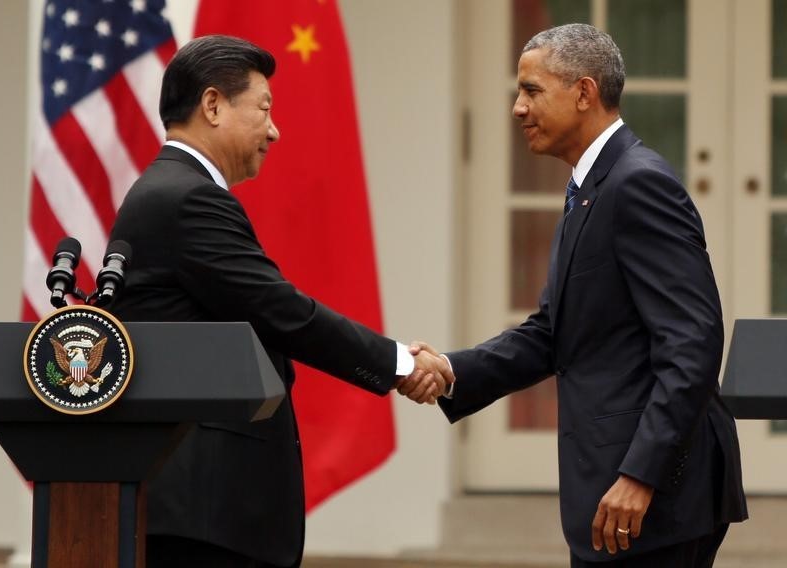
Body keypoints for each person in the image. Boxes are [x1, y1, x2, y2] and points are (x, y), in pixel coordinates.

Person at [408, 23, 747, 567]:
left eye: (532, 90)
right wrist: (452, 368)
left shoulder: (637, 183)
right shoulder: (589, 188)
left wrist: (642, 473)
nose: (518, 108)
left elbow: (693, 342)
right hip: (616, 497)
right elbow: (553, 331)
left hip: (654, 498)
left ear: (585, 93)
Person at [108, 34, 452, 568]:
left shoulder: (169, 189)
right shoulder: (188, 196)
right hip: (203, 519)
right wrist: (400, 363)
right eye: (263, 109)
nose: (274, 129)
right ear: (213, 105)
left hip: (201, 514)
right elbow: (281, 311)